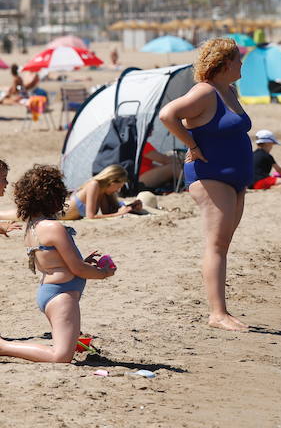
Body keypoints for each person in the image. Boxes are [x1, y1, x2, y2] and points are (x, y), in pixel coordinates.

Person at [159, 37, 253, 331]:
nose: (241, 63)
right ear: (225, 64)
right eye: (238, 59)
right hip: (210, 174)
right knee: (217, 243)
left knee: (223, 243)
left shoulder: (230, 90)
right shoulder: (204, 92)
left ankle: (221, 310)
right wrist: (191, 144)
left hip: (235, 175)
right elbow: (167, 114)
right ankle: (217, 314)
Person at [0, 164, 116, 363]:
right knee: (61, 356)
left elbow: (51, 262)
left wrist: (84, 262)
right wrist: (104, 273)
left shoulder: (33, 227)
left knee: (66, 346)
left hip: (52, 292)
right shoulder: (54, 228)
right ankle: (3, 346)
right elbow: (77, 268)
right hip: (62, 296)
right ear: (54, 197)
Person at [59, 164, 142, 220]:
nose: (118, 190)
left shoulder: (103, 191)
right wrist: (119, 214)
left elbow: (108, 212)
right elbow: (90, 216)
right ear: (112, 182)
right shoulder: (94, 185)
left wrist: (131, 207)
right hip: (54, 215)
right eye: (119, 186)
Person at [138, 125, 183, 190]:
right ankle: (190, 183)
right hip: (141, 180)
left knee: (170, 159)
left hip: (141, 177)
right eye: (151, 127)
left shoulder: (138, 142)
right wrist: (182, 160)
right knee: (173, 167)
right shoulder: (143, 145)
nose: (153, 129)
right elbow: (164, 160)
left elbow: (147, 164)